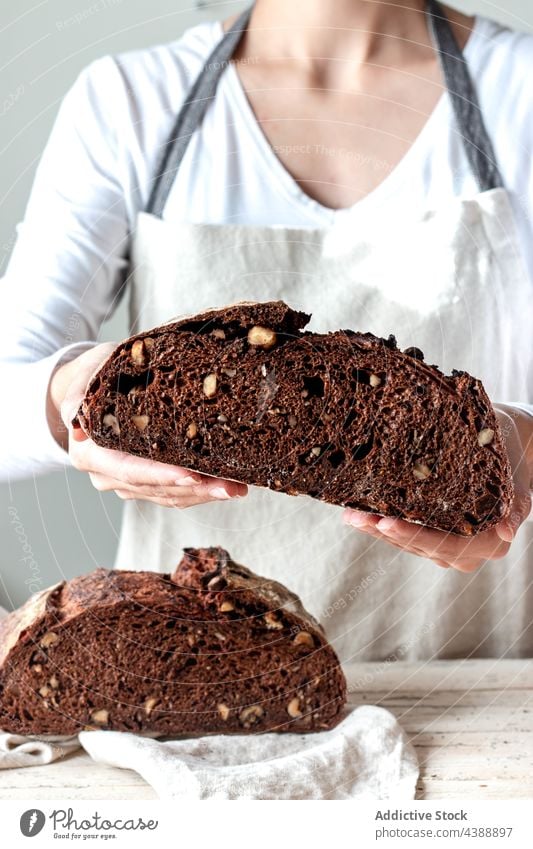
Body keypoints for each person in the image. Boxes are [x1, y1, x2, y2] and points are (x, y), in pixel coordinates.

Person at [1, 0, 532, 662]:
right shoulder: (132, 103)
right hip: (190, 693)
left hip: (481, 694)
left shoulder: (521, 93)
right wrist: (68, 393)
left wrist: (523, 443)